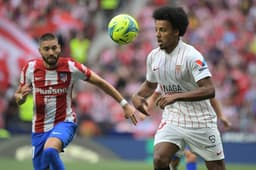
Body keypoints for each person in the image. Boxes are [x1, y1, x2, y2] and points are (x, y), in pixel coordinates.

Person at [14, 33, 140, 170]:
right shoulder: (30, 68)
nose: (51, 52)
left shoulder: (70, 66)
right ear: (40, 51)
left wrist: (124, 104)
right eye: (46, 49)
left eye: (54, 48)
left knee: (50, 150)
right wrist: (21, 98)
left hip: (64, 123)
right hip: (39, 128)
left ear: (60, 48)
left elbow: (101, 83)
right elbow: (19, 95)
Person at [131, 6, 226, 170]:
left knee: (216, 167)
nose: (157, 35)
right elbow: (150, 84)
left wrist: (176, 96)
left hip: (200, 121)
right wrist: (137, 96)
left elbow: (209, 90)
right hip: (173, 119)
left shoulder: (192, 56)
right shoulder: (153, 57)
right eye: (156, 30)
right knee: (160, 159)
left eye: (163, 30)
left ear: (176, 31)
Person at [147, 86, 232, 170]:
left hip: (197, 124)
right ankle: (174, 167)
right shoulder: (164, 78)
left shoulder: (195, 78)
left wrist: (221, 115)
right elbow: (155, 95)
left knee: (191, 156)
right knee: (172, 160)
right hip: (175, 124)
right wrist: (144, 110)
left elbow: (211, 96)